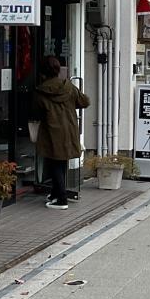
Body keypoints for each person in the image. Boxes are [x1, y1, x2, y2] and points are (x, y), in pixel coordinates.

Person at [32, 54, 90, 208]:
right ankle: (56, 193)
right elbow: (85, 101)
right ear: (58, 70)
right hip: (69, 128)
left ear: (42, 72)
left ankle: (62, 199)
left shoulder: (40, 92)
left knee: (54, 163)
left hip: (51, 131)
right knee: (61, 162)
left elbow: (36, 113)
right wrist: (70, 105)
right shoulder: (69, 87)